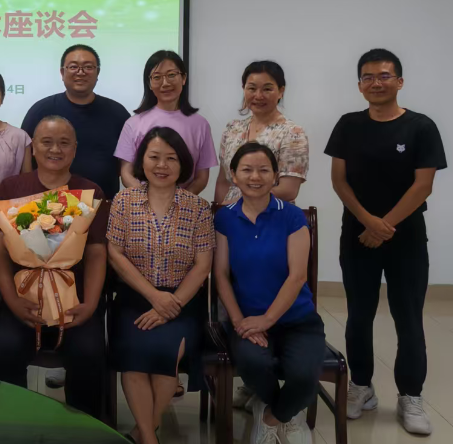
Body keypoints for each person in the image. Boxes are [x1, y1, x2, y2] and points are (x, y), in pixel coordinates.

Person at [326, 48, 446, 436]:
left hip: (405, 237)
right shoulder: (348, 125)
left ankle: (411, 396)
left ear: (399, 81)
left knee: (408, 317)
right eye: (367, 77)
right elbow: (339, 180)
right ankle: (362, 387)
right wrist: (368, 222)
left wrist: (384, 226)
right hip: (357, 234)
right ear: (359, 85)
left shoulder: (421, 127)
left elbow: (423, 185)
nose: (375, 83)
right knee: (358, 315)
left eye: (383, 76)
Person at [0, 116, 109, 420]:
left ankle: (82, 430)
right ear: (33, 148)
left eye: (64, 143)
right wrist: (12, 301)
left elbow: (96, 253)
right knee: (3, 348)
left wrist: (91, 305)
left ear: (75, 149)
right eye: (47, 142)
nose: (55, 149)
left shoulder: (90, 191)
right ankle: (13, 425)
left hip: (74, 301)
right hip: (23, 298)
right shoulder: (12, 187)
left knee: (90, 353)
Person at [107, 127, 214, 444]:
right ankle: (150, 437)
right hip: (134, 297)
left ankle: (143, 432)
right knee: (134, 357)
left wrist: (172, 303)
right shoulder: (123, 201)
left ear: (183, 164)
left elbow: (203, 265)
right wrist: (154, 297)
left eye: (171, 158)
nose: (162, 165)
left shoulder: (198, 208)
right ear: (142, 161)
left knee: (167, 355)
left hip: (182, 300)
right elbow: (115, 254)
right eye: (154, 157)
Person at [214, 142, 325, 444]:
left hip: (297, 320)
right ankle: (282, 408)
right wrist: (239, 321)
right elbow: (220, 274)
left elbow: (297, 276)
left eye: (264, 170)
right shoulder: (225, 218)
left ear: (276, 176)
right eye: (247, 170)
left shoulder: (292, 216)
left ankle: (272, 416)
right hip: (247, 319)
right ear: (233, 175)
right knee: (253, 364)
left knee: (304, 377)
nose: (255, 177)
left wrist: (267, 319)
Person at [20, 45, 130, 200]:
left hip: (103, 204)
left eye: (88, 67)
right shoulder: (40, 111)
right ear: (62, 72)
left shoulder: (117, 113)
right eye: (73, 67)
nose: (81, 72)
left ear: (98, 72)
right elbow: (26, 160)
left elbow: (127, 165)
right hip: (45, 207)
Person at [115, 50, 217, 196]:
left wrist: (180, 201)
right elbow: (126, 173)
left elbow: (201, 177)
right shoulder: (133, 124)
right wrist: (147, 200)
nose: (165, 83)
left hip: (184, 205)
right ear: (149, 83)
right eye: (157, 77)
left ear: (183, 78)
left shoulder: (201, 124)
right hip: (142, 204)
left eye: (171, 75)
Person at [214, 61, 308, 205]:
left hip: (272, 212)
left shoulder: (292, 133)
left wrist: (239, 203)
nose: (258, 96)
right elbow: (223, 181)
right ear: (244, 89)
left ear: (281, 91)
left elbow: (288, 190)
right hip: (230, 213)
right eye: (252, 88)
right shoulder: (232, 129)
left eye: (267, 89)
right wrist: (220, 211)